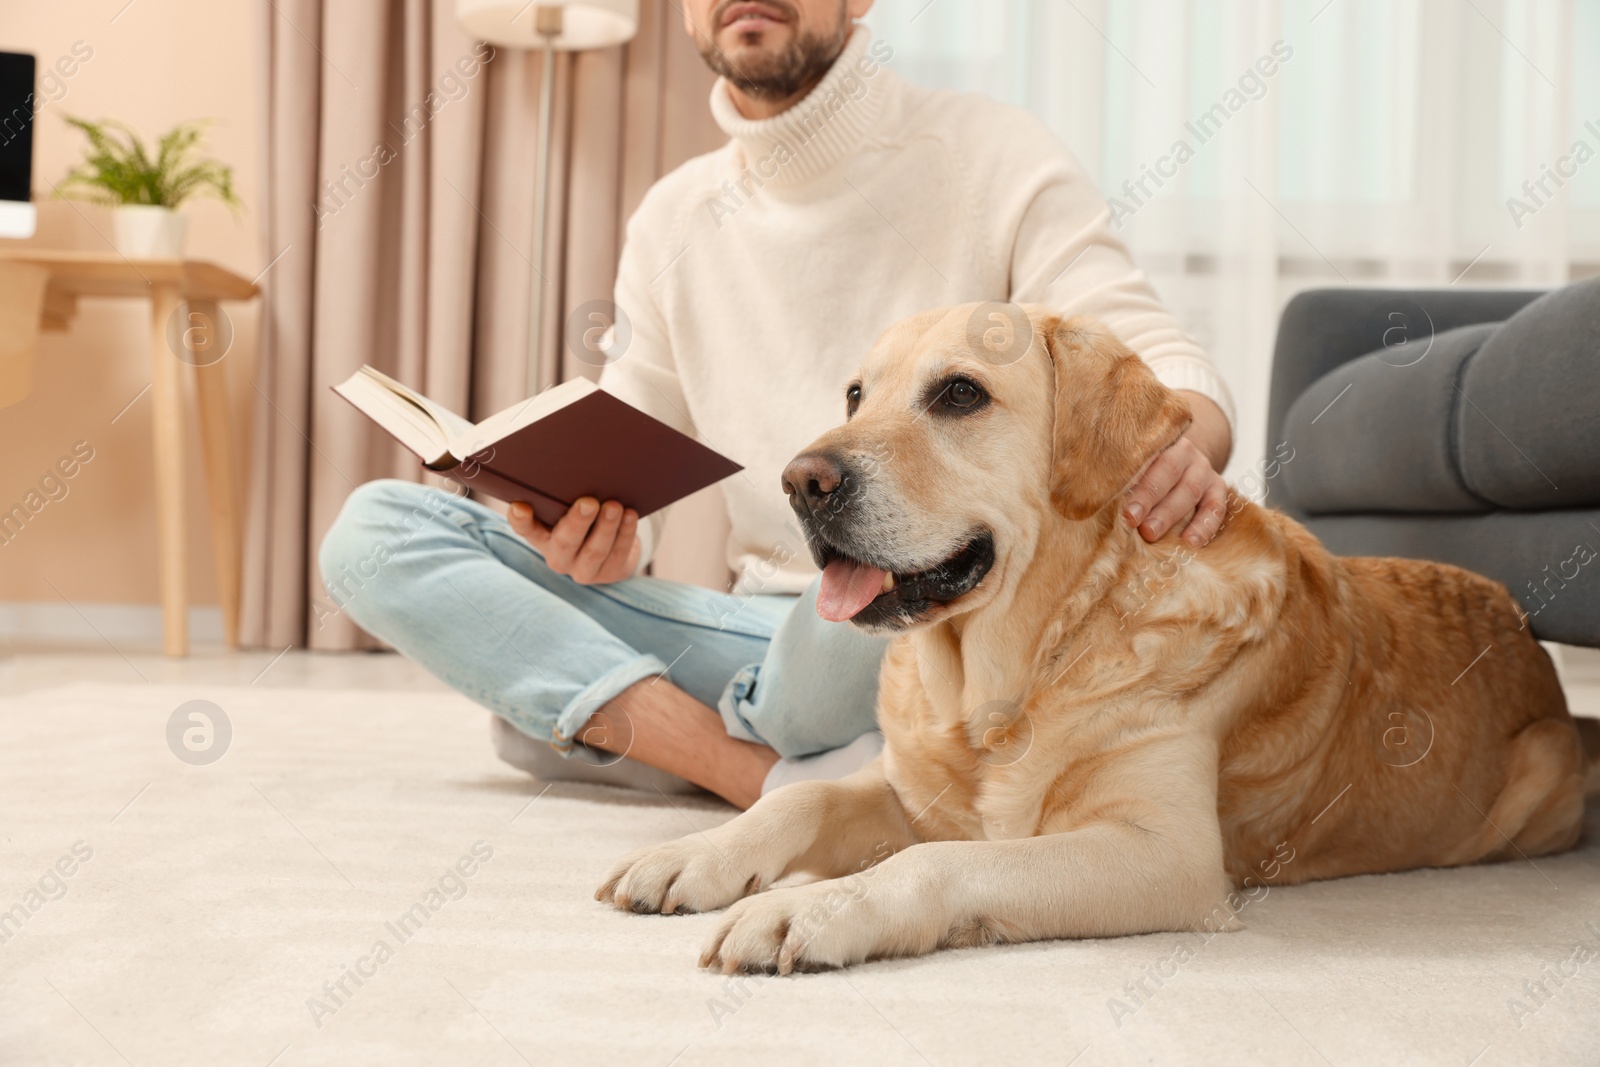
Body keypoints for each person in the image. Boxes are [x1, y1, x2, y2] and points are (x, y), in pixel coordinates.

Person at [318, 0, 1236, 810]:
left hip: (929, 609)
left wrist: (1187, 437)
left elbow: (1156, 359)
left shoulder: (994, 152)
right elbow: (629, 477)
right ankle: (763, 772)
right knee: (373, 533)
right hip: (758, 616)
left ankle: (635, 723)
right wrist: (595, 536)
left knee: (537, 720)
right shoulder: (674, 216)